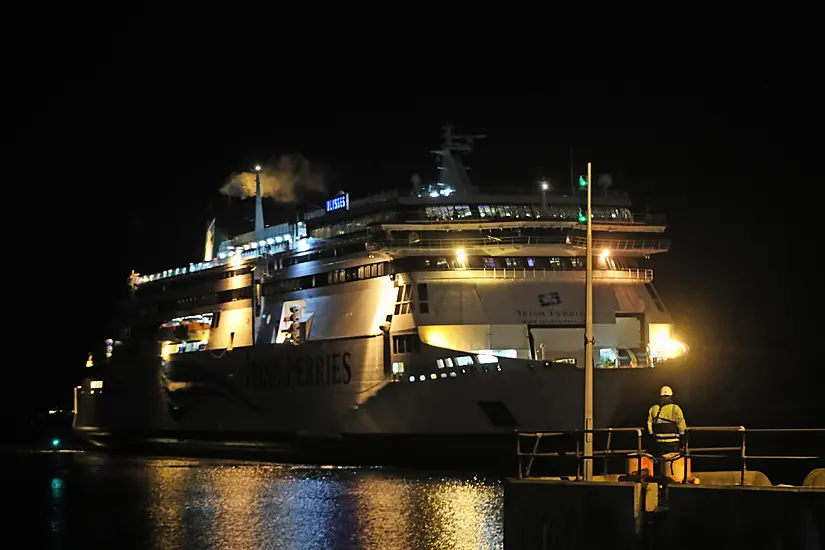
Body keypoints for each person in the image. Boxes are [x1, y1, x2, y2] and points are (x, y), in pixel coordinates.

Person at [647, 385, 687, 478]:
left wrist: (652, 434)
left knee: (659, 464)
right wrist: (683, 440)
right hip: (673, 443)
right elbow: (682, 427)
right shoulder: (675, 408)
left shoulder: (653, 408)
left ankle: (659, 482)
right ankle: (670, 481)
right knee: (671, 465)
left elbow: (649, 425)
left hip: (658, 443)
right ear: (671, 396)